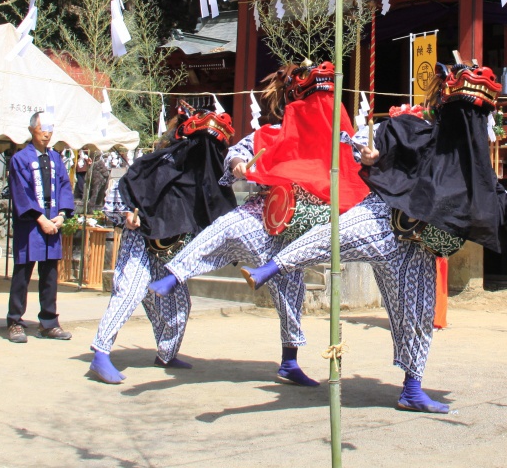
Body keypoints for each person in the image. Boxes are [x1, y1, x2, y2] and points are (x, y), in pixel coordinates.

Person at [243, 63, 507, 413]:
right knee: (333, 236)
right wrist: (369, 155)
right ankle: (269, 269)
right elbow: (361, 143)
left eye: (475, 115)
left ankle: (412, 389)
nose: (469, 122)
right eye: (463, 112)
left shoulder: (473, 160)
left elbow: (493, 191)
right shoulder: (415, 130)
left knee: (417, 318)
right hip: (385, 215)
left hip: (419, 248)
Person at [149, 61, 369, 387]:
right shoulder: (272, 133)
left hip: (302, 229)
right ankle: (175, 274)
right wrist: (237, 163)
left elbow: (364, 154)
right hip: (265, 213)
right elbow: (238, 151)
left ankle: (289, 362)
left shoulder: (340, 138)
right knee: (226, 228)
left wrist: (370, 157)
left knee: (290, 295)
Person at [88, 105, 238, 384]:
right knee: (130, 290)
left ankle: (166, 354)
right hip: (141, 240)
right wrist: (126, 215)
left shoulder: (206, 179)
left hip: (171, 250)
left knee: (179, 306)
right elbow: (120, 197)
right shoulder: (157, 164)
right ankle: (100, 353)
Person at [6, 111, 76, 343]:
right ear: (31, 130)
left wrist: (62, 215)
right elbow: (21, 193)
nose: (46, 134)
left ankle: (48, 323)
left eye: (50, 129)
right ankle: (15, 321)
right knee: (22, 273)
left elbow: (65, 185)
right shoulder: (20, 159)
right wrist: (41, 219)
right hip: (30, 226)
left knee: (49, 275)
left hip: (52, 223)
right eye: (42, 128)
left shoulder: (56, 158)